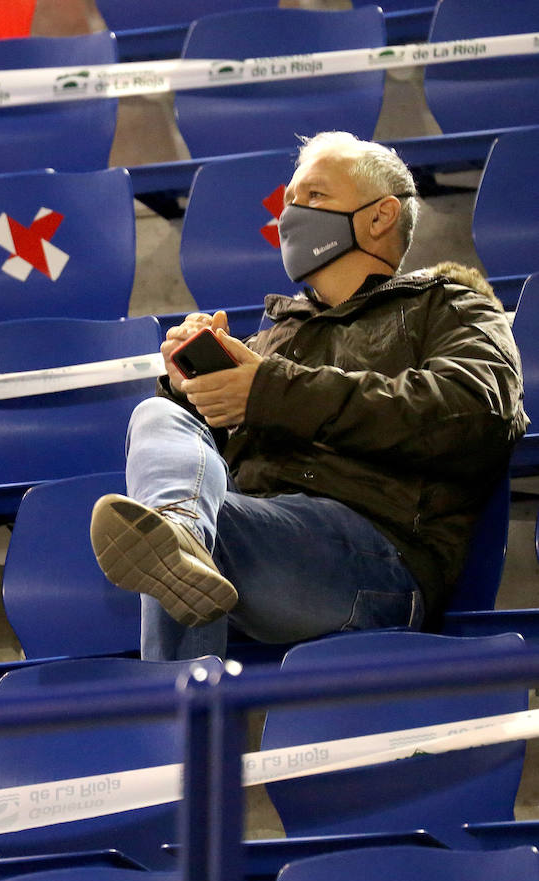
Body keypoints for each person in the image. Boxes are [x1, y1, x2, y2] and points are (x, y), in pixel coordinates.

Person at [89, 131, 527, 661]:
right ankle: (183, 531)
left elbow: (476, 414)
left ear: (379, 216)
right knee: (158, 418)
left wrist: (272, 391)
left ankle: (176, 730)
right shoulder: (270, 340)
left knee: (188, 537)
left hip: (377, 562)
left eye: (314, 197)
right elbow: (198, 447)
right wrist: (188, 386)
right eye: (290, 200)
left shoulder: (447, 306)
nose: (292, 212)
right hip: (257, 542)